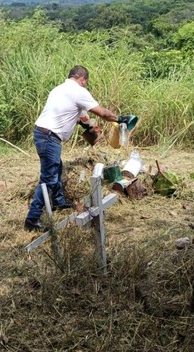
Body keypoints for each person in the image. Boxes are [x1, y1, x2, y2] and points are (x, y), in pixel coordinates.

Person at [24, 65, 122, 232]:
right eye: (86, 82)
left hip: (43, 133)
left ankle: (58, 202)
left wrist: (89, 127)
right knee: (48, 178)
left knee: (57, 168)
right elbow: (103, 113)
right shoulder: (79, 91)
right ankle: (32, 220)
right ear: (82, 79)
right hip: (49, 137)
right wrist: (120, 119)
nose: (85, 85)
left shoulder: (59, 89)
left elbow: (81, 117)